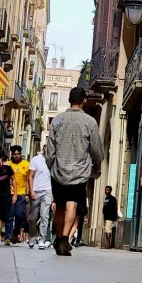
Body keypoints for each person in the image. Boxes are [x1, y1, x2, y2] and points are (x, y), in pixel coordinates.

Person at [45, 85, 104, 255]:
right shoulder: (90, 122)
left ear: (69, 100)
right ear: (84, 100)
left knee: (59, 206)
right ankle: (64, 239)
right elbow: (96, 149)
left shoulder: (57, 120)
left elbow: (50, 149)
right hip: (79, 172)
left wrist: (51, 165)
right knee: (72, 204)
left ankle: (58, 238)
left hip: (59, 171)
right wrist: (97, 165)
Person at [6, 146, 34, 244]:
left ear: (20, 154)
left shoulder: (27, 164)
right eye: (14, 154)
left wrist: (28, 194)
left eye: (18, 154)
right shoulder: (8, 164)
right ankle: (8, 237)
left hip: (22, 193)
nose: (16, 156)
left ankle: (16, 230)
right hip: (10, 193)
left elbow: (28, 180)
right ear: (12, 155)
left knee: (20, 214)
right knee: (10, 215)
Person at [28, 145, 53, 248]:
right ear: (44, 149)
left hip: (48, 191)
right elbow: (30, 176)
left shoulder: (54, 161)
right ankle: (32, 236)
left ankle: (42, 239)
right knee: (32, 217)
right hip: (36, 191)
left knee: (45, 216)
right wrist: (31, 191)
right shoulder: (36, 159)